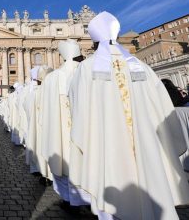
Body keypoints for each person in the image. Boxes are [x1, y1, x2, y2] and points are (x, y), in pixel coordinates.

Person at [69, 11, 189, 219]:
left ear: (94, 40)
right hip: (149, 151)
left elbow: (78, 112)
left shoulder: (85, 69)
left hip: (108, 149)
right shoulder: (143, 68)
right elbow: (165, 114)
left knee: (113, 207)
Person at [40, 39, 84, 205]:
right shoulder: (90, 71)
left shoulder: (52, 78)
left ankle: (70, 200)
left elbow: (42, 111)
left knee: (65, 162)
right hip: (89, 134)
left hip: (63, 134)